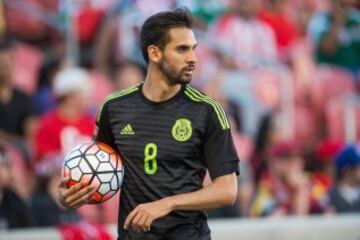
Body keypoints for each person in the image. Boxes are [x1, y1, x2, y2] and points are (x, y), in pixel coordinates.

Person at [59, 8, 239, 240]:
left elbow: (227, 190)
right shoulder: (114, 108)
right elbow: (99, 170)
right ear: (154, 53)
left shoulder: (207, 111)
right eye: (182, 49)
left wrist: (167, 204)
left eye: (193, 48)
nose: (193, 58)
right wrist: (70, 195)